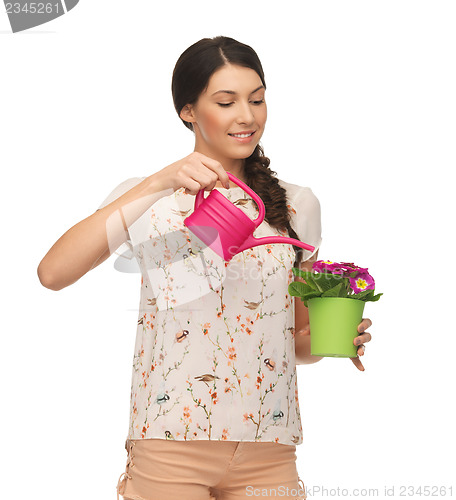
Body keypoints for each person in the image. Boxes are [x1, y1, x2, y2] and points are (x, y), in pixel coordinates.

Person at [37, 35, 373, 500]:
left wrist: (335, 338)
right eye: (226, 101)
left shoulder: (297, 204)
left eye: (257, 99)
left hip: (268, 444)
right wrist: (160, 180)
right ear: (188, 111)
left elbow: (295, 338)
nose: (247, 116)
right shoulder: (148, 197)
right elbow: (53, 273)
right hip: (171, 440)